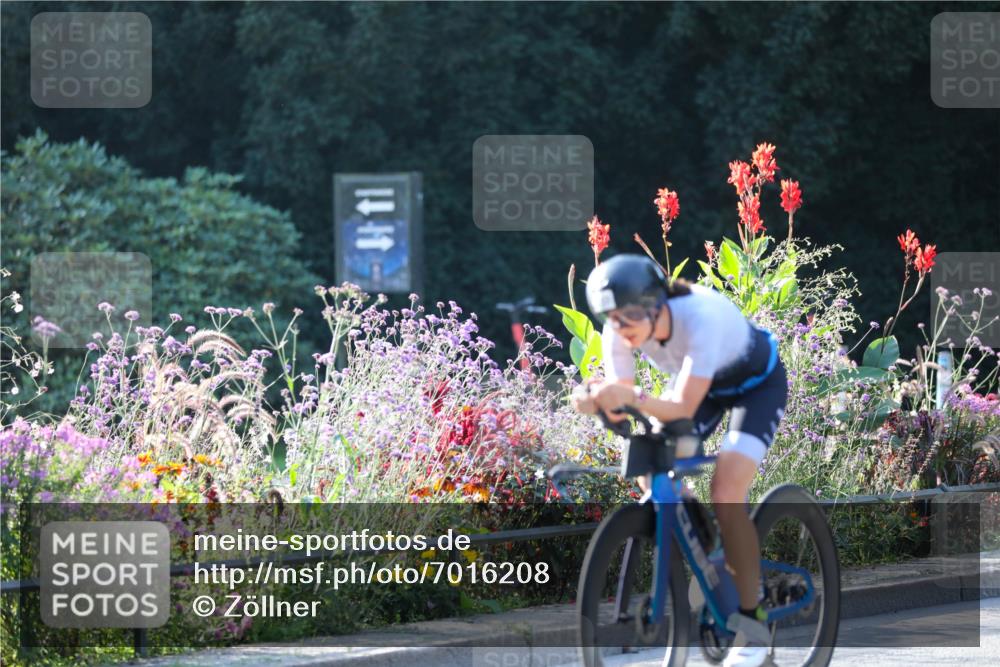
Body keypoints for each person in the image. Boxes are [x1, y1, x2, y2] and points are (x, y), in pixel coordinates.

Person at [571, 253, 787, 667]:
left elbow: (683, 406)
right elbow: (624, 399)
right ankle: (705, 545)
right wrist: (595, 399)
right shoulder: (619, 329)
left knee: (726, 490)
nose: (621, 327)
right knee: (649, 462)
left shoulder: (700, 317)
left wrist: (629, 396)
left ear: (656, 304)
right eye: (612, 318)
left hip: (756, 388)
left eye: (631, 316)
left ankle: (753, 623)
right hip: (705, 390)